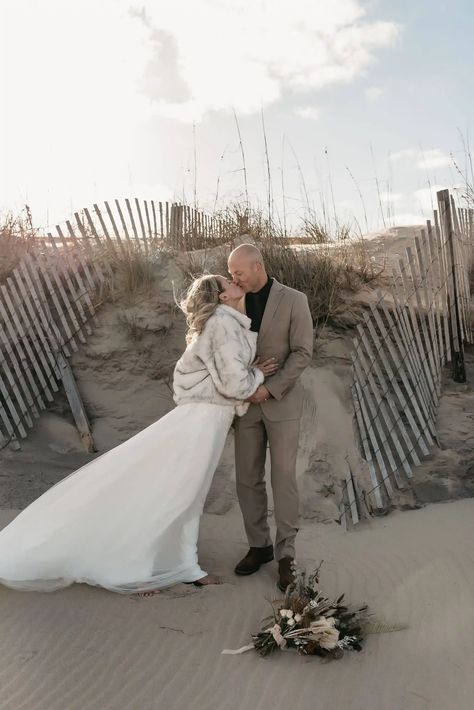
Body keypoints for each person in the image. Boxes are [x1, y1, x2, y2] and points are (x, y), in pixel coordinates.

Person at [0, 275, 278, 595]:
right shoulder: (221, 324)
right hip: (201, 422)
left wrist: (247, 373)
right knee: (178, 495)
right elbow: (234, 385)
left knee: (188, 495)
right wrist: (257, 374)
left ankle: (185, 565)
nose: (234, 281)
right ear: (222, 298)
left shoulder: (225, 323)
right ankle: (135, 570)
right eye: (227, 281)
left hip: (206, 419)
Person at [228, 244, 314, 592]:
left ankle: (286, 556)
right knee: (247, 479)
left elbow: (302, 352)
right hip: (246, 404)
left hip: (281, 404)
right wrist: (248, 381)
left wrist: (270, 388)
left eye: (239, 273)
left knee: (283, 479)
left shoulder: (294, 300)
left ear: (257, 266)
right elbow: (228, 350)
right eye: (231, 273)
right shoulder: (231, 303)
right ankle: (259, 547)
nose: (234, 279)